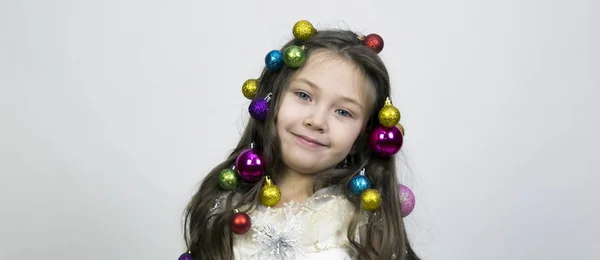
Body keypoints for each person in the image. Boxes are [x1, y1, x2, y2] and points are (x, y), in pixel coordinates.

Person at [179, 20, 420, 260]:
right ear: (271, 100)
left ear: (362, 136)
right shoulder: (224, 205)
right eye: (304, 95)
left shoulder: (365, 227)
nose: (316, 121)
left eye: (343, 112)